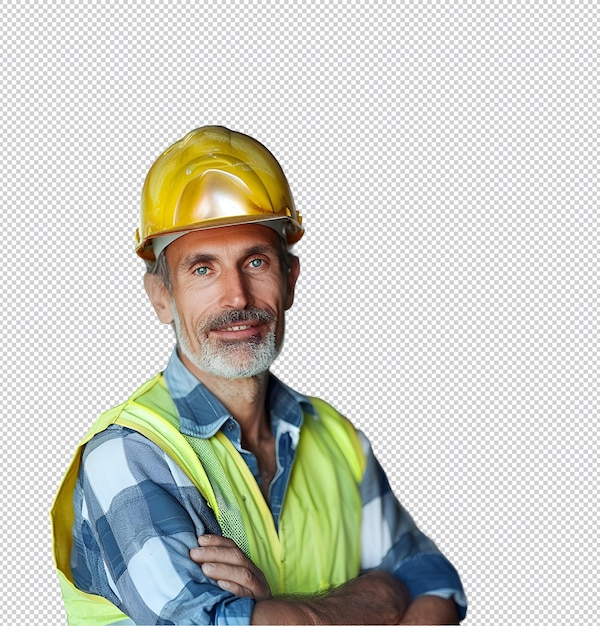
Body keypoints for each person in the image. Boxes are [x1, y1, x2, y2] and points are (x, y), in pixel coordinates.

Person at [51, 126, 467, 625]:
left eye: (255, 260)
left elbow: (431, 579)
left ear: (289, 280)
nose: (237, 298)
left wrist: (275, 610)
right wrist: (379, 597)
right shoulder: (131, 454)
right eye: (202, 269)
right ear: (161, 296)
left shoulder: (335, 437)